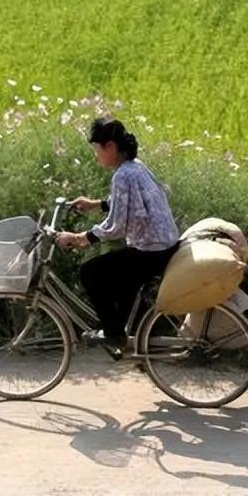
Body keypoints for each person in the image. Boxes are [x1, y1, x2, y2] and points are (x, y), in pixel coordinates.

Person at [57, 117, 180, 348]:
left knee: (90, 272)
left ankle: (113, 334)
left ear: (111, 147)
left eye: (97, 149)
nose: (96, 155)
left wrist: (80, 238)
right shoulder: (136, 166)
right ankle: (131, 336)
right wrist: (96, 204)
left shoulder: (123, 175)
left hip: (151, 251)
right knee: (123, 278)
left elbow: (117, 227)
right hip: (164, 245)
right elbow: (128, 204)